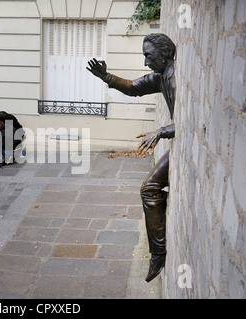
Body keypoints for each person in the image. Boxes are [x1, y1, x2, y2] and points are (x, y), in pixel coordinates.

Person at [87, 33, 176, 282]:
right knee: (149, 188)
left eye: (148, 56)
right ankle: (158, 251)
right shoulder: (161, 77)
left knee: (149, 189)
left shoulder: (175, 80)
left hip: (178, 141)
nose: (146, 62)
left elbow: (187, 123)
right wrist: (106, 77)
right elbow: (133, 88)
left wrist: (161, 131)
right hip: (175, 144)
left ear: (164, 53)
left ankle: (158, 254)